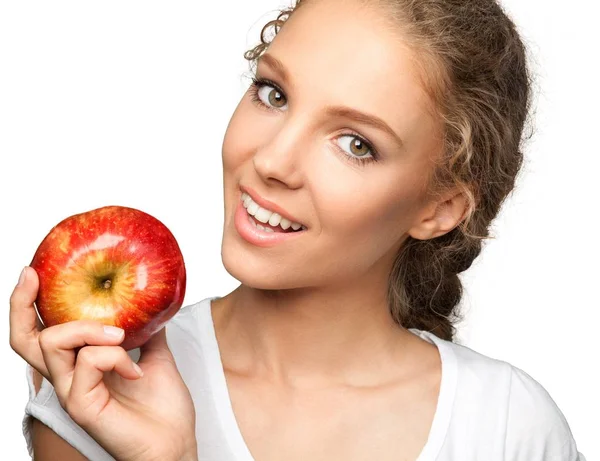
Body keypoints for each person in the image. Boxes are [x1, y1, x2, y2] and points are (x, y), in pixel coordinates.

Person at [9, 0, 587, 459]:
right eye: (274, 93)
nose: (273, 161)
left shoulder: (510, 428)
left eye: (356, 144)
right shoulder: (103, 391)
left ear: (438, 209)